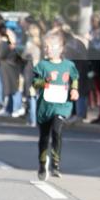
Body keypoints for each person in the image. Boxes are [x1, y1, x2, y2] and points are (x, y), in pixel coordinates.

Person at [32, 31, 79, 181]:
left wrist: (74, 89)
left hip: (62, 105)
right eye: (46, 47)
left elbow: (75, 78)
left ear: (60, 49)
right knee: (44, 137)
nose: (47, 50)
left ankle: (56, 164)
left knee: (57, 131)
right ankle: (42, 163)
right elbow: (35, 83)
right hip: (45, 106)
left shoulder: (69, 65)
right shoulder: (42, 65)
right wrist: (46, 80)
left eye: (51, 47)